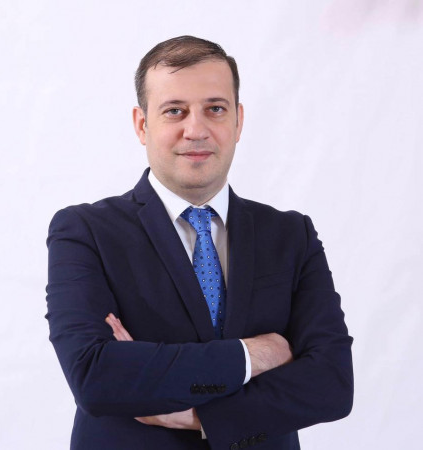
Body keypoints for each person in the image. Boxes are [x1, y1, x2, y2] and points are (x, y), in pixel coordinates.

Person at [46, 35, 353, 450]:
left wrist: (204, 418)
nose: (196, 130)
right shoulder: (85, 232)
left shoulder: (290, 234)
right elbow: (96, 376)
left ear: (238, 121)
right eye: (175, 110)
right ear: (142, 124)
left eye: (215, 109)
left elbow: (332, 384)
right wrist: (256, 354)